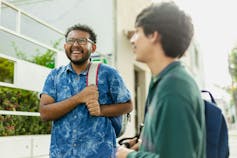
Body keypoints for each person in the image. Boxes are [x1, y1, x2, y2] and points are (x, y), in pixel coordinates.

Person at [116, 1, 206, 158]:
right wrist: (142, 146)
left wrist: (127, 155)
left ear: (153, 35)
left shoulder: (174, 88)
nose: (132, 40)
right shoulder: (164, 81)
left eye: (138, 32)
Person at [39, 23, 133, 158]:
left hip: (100, 153)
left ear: (93, 47)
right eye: (70, 41)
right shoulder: (54, 76)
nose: (75, 45)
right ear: (65, 46)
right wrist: (79, 98)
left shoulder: (108, 73)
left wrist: (101, 110)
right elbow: (45, 113)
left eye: (82, 41)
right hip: (61, 154)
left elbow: (128, 105)